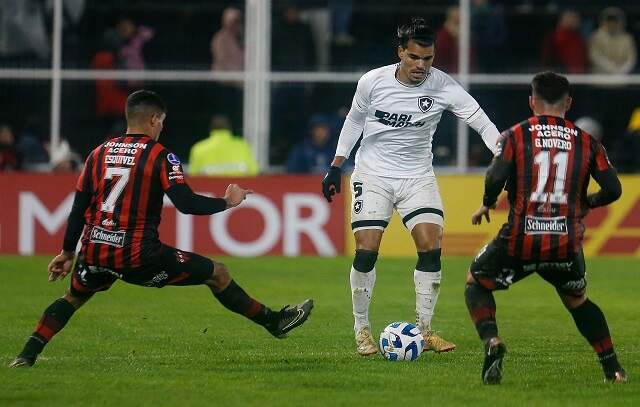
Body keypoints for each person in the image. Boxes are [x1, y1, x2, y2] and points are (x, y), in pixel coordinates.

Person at [9, 90, 313, 368]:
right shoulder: (160, 155)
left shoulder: (98, 153)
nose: (162, 127)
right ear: (154, 119)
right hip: (139, 255)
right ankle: (274, 322)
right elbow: (186, 203)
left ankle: (26, 355)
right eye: (162, 121)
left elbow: (78, 208)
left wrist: (66, 252)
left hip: (96, 250)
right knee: (217, 273)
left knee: (72, 298)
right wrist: (227, 202)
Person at [321, 17, 501, 356]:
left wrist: (503, 154)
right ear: (400, 53)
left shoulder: (443, 86)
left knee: (431, 245)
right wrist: (336, 165)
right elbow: (354, 120)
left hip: (417, 176)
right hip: (372, 175)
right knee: (367, 249)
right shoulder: (372, 82)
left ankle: (426, 328)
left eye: (428, 59)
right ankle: (362, 330)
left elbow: (480, 120)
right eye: (415, 57)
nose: (421, 66)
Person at [464, 71, 626, 384]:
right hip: (564, 240)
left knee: (476, 282)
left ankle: (492, 341)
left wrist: (487, 201)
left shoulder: (515, 135)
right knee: (577, 300)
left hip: (520, 238)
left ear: (531, 101)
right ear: (568, 102)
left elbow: (495, 175)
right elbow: (614, 189)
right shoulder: (588, 142)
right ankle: (613, 370)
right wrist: (587, 204)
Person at [188, 115, 259, 176]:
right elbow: (254, 172)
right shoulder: (243, 145)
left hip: (210, 190)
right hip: (236, 189)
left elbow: (193, 177)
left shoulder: (199, 148)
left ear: (211, 129)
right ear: (230, 129)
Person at [588, 7, 637, 74]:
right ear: (604, 21)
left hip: (621, 76)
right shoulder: (596, 36)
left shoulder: (627, 38)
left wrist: (623, 69)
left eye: (615, 20)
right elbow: (594, 55)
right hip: (600, 75)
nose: (612, 23)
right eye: (609, 20)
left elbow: (631, 58)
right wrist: (610, 67)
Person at [541, 10, 587, 74]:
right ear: (563, 19)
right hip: (560, 76)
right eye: (572, 17)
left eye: (576, 17)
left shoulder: (578, 38)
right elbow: (547, 60)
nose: (576, 20)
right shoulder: (554, 37)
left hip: (579, 77)